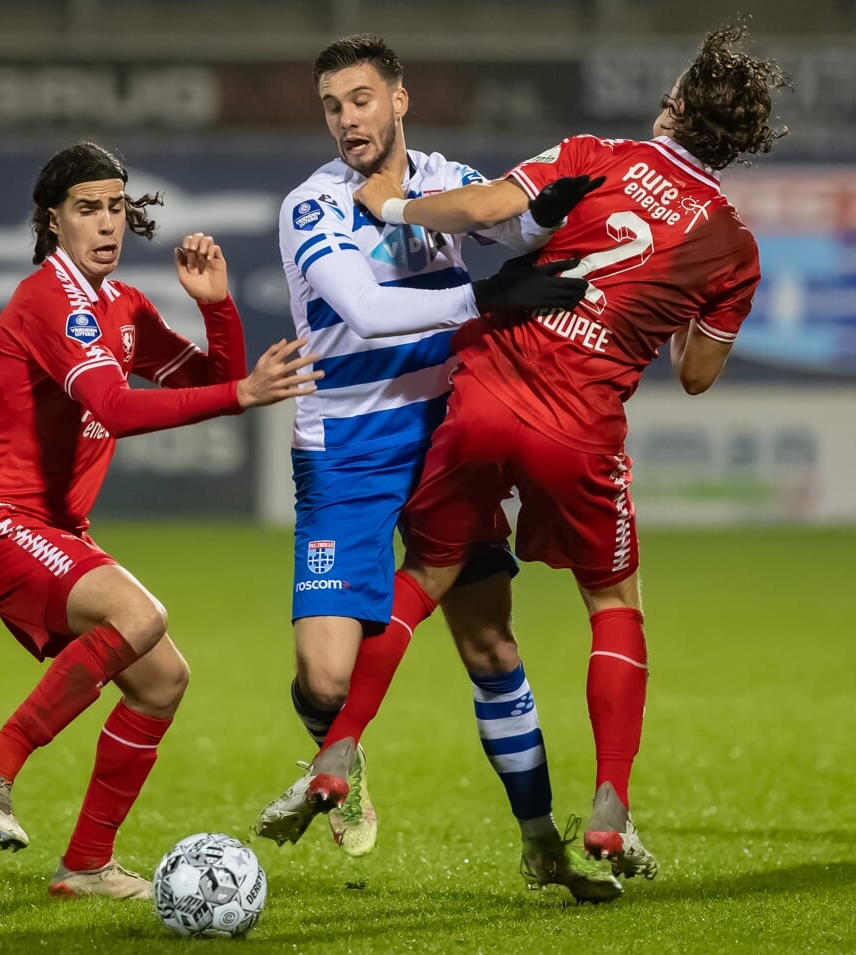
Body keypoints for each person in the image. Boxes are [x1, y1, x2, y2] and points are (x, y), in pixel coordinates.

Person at [352, 17, 787, 881]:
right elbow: (698, 372)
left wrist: (391, 204)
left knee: (431, 570)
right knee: (614, 600)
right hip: (578, 429)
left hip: (486, 393)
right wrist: (655, 313)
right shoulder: (735, 247)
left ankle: (337, 750)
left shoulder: (601, 153)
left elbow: (480, 210)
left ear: (675, 105)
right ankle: (611, 809)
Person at [250, 33, 618, 902]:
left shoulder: (443, 176)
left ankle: (541, 841)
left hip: (447, 436)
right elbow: (369, 311)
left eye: (362, 99)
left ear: (399, 100)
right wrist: (490, 295)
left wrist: (547, 213)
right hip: (346, 449)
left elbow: (506, 220)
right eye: (333, 106)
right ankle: (343, 749)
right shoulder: (312, 205)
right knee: (324, 677)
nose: (347, 120)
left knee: (492, 646)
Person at [0, 141, 321, 899]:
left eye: (116, 206)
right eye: (87, 208)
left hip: (51, 530)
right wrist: (241, 394)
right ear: (53, 220)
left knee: (162, 679)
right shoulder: (50, 300)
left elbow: (214, 380)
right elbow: (117, 406)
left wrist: (216, 305)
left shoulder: (123, 308)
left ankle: (85, 864)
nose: (107, 223)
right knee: (139, 614)